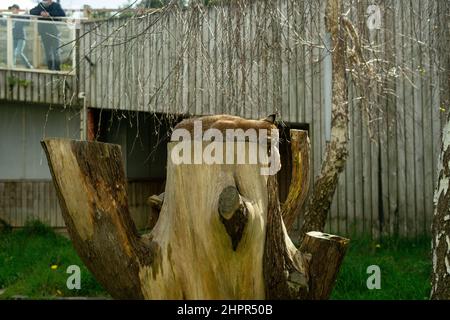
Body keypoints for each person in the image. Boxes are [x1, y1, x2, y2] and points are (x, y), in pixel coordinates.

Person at [30, 0, 65, 71]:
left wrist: (49, 14)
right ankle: (50, 68)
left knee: (56, 51)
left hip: (54, 32)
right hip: (44, 33)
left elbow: (62, 14)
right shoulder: (40, 5)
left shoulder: (56, 5)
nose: (44, 1)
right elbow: (32, 11)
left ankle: (57, 68)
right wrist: (40, 13)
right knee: (47, 52)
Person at [9, 4, 33, 69]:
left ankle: (29, 66)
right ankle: (12, 67)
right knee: (12, 53)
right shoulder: (10, 17)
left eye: (14, 9)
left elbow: (27, 23)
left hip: (21, 38)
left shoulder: (21, 16)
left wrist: (27, 13)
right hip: (14, 38)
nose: (12, 11)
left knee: (19, 52)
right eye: (12, 9)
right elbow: (3, 23)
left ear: (18, 10)